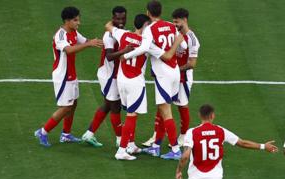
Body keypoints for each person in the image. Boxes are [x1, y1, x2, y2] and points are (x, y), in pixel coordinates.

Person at [106, 15, 185, 160]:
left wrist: (117, 21)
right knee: (134, 114)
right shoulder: (148, 43)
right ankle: (123, 150)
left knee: (146, 111)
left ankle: (135, 145)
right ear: (145, 26)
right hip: (137, 81)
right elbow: (168, 54)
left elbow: (108, 26)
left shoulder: (122, 34)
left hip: (121, 80)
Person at [34, 6, 103, 147]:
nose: (79, 23)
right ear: (67, 21)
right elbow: (69, 50)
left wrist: (101, 42)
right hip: (63, 76)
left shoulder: (74, 32)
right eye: (76, 20)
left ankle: (65, 134)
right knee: (66, 107)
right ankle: (43, 131)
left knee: (74, 104)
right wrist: (89, 44)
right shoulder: (60, 35)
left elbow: (85, 41)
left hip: (71, 74)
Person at [143, 7, 200, 147]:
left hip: (184, 78)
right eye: (173, 22)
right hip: (172, 74)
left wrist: (175, 68)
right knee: (162, 106)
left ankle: (183, 136)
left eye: (177, 22)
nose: (174, 24)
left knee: (182, 106)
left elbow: (192, 64)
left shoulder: (192, 39)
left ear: (185, 20)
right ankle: (157, 136)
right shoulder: (173, 32)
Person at [81, 6, 132, 147]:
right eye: (118, 18)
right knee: (115, 107)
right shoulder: (109, 35)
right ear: (112, 18)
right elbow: (109, 56)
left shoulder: (122, 32)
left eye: (123, 18)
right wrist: (125, 50)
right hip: (109, 76)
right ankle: (120, 140)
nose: (121, 21)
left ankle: (89, 134)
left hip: (113, 75)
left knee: (108, 105)